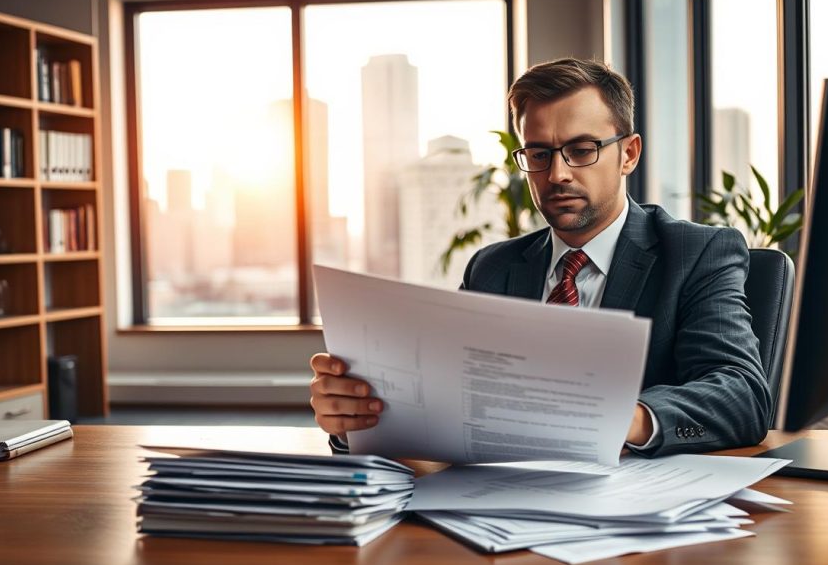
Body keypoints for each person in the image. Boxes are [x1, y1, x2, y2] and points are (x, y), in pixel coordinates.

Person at [309, 57, 770, 457]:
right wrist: (357, 419)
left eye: (582, 149)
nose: (558, 173)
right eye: (539, 153)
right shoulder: (492, 267)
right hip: (500, 511)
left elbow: (743, 397)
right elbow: (452, 408)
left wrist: (619, 418)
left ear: (628, 154)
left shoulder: (696, 252)